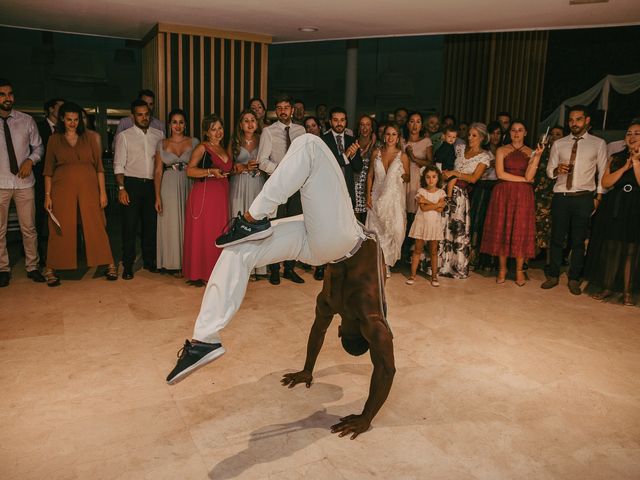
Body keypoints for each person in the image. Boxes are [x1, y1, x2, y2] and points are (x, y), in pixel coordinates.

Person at [281, 235, 395, 439]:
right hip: (343, 243)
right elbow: (387, 370)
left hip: (356, 239)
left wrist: (308, 370)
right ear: (340, 332)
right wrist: (365, 417)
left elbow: (318, 330)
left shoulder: (360, 313)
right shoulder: (337, 305)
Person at [43, 102, 117, 286]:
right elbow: (48, 170)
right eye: (69, 119)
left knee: (96, 223)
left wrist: (103, 193)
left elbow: (99, 167)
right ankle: (51, 268)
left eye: (76, 119)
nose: (73, 123)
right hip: (61, 188)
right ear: (62, 119)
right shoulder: (54, 139)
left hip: (89, 187)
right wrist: (47, 195)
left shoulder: (90, 138)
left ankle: (109, 263)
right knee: (59, 225)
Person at [542, 105, 608, 295]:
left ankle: (574, 278)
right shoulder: (559, 143)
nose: (574, 123)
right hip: (561, 196)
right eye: (571, 120)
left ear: (587, 121)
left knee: (578, 241)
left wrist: (599, 197)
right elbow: (549, 170)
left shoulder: (598, 143)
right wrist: (556, 170)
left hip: (584, 197)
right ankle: (553, 275)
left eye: (578, 119)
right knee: (556, 238)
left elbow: (603, 172)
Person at [481, 121, 543, 286]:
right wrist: (524, 179)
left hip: (523, 195)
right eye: (513, 130)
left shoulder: (531, 152)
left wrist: (537, 157)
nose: (516, 133)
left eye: (520, 130)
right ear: (509, 133)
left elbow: (531, 175)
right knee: (502, 228)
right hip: (503, 193)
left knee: (519, 230)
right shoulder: (502, 150)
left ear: (526, 133)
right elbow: (500, 174)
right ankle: (502, 269)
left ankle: (519, 271)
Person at [585, 121, 640, 306]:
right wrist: (624, 167)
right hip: (616, 205)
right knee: (612, 248)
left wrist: (636, 162)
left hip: (635, 207)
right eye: (629, 133)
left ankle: (627, 292)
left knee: (632, 250)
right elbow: (606, 182)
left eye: (637, 133)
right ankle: (607, 287)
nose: (632, 137)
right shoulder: (616, 157)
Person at [0, 78, 45, 287]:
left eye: (10, 94)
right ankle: (2, 268)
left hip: (25, 183)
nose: (7, 98)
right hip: (0, 184)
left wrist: (30, 160)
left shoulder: (26, 120)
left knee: (29, 227)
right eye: (2, 94)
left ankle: (33, 266)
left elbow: (39, 147)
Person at [257, 95, 306, 285]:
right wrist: (281, 171)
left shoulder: (301, 131)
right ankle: (275, 269)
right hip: (277, 185)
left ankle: (290, 269)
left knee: (294, 227)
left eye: (286, 107)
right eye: (279, 108)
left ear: (292, 110)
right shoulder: (268, 132)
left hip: (297, 186)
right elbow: (262, 161)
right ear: (276, 111)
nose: (283, 111)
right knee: (276, 227)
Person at [114, 99, 165, 280]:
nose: (144, 117)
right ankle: (128, 265)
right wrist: (121, 188)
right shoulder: (125, 136)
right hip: (131, 185)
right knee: (129, 227)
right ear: (133, 116)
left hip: (152, 185)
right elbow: (119, 165)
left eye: (146, 114)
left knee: (150, 226)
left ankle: (149, 261)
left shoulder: (159, 135)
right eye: (140, 114)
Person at [182, 114, 232, 285]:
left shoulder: (224, 148)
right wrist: (210, 172)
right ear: (206, 132)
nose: (218, 132)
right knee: (204, 233)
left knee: (218, 232)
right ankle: (199, 273)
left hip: (221, 197)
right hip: (205, 196)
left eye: (220, 128)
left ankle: (216, 272)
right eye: (213, 129)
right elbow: (190, 171)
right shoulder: (202, 148)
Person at [439, 123, 491, 279]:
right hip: (445, 189)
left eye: (474, 135)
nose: (469, 138)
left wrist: (455, 173)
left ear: (482, 137)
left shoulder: (484, 156)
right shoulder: (459, 149)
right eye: (469, 134)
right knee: (442, 228)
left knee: (457, 230)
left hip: (460, 195)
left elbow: (474, 178)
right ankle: (441, 265)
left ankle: (457, 267)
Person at [154, 108, 198, 276]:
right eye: (174, 122)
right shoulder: (161, 143)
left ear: (185, 124)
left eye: (181, 122)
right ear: (169, 124)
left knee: (189, 222)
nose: (177, 125)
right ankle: (172, 263)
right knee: (171, 223)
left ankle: (188, 262)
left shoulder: (194, 142)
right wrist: (157, 196)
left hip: (189, 183)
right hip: (169, 184)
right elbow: (158, 171)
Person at [366, 123, 410, 277]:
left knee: (394, 230)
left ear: (398, 137)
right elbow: (370, 175)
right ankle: (378, 263)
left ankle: (387, 262)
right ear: (384, 136)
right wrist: (368, 195)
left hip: (394, 198)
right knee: (376, 230)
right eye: (388, 134)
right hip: (376, 195)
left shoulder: (403, 156)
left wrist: (402, 175)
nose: (391, 137)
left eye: (394, 134)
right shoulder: (376, 153)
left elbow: (408, 177)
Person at [228, 110, 266, 279]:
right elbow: (227, 168)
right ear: (240, 124)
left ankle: (256, 267)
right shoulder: (234, 141)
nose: (250, 123)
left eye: (253, 120)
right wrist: (242, 167)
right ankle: (238, 266)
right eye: (246, 121)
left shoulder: (264, 139)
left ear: (257, 123)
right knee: (239, 222)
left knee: (256, 223)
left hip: (258, 184)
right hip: (239, 185)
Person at [35, 97, 64, 266]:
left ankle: (59, 250)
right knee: (39, 215)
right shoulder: (38, 127)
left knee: (59, 214)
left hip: (61, 179)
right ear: (51, 109)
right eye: (60, 107)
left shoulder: (64, 129)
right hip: (41, 177)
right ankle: (38, 252)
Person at [406, 165, 446, 287]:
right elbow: (423, 208)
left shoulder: (441, 192)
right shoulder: (421, 191)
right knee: (417, 250)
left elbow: (440, 210)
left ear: (438, 178)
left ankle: (434, 276)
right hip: (421, 224)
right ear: (424, 178)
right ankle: (412, 275)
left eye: (434, 177)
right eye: (428, 177)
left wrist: (428, 202)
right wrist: (436, 204)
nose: (431, 180)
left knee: (434, 251)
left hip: (434, 225)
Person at [469, 122, 500, 271]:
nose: (496, 136)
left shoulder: (503, 151)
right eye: (493, 132)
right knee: (477, 221)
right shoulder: (483, 152)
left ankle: (487, 258)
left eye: (499, 133)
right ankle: (473, 256)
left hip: (497, 187)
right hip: (482, 187)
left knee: (491, 223)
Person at [534, 125, 564, 262]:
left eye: (558, 134)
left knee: (554, 226)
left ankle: (549, 261)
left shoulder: (564, 152)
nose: (554, 136)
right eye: (552, 134)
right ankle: (532, 255)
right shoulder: (542, 151)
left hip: (557, 192)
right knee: (537, 224)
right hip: (540, 193)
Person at [321, 106, 362, 208]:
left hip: (348, 191)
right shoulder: (323, 140)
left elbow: (358, 167)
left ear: (346, 122)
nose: (339, 123)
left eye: (342, 120)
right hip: (329, 190)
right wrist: (345, 155)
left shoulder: (351, 140)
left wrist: (352, 156)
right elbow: (326, 165)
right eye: (335, 120)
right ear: (330, 122)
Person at [354, 114, 376, 224]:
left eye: (368, 125)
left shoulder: (377, 145)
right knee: (355, 221)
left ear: (371, 127)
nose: (365, 128)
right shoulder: (353, 142)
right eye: (362, 125)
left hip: (371, 186)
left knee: (369, 221)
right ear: (358, 127)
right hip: (355, 185)